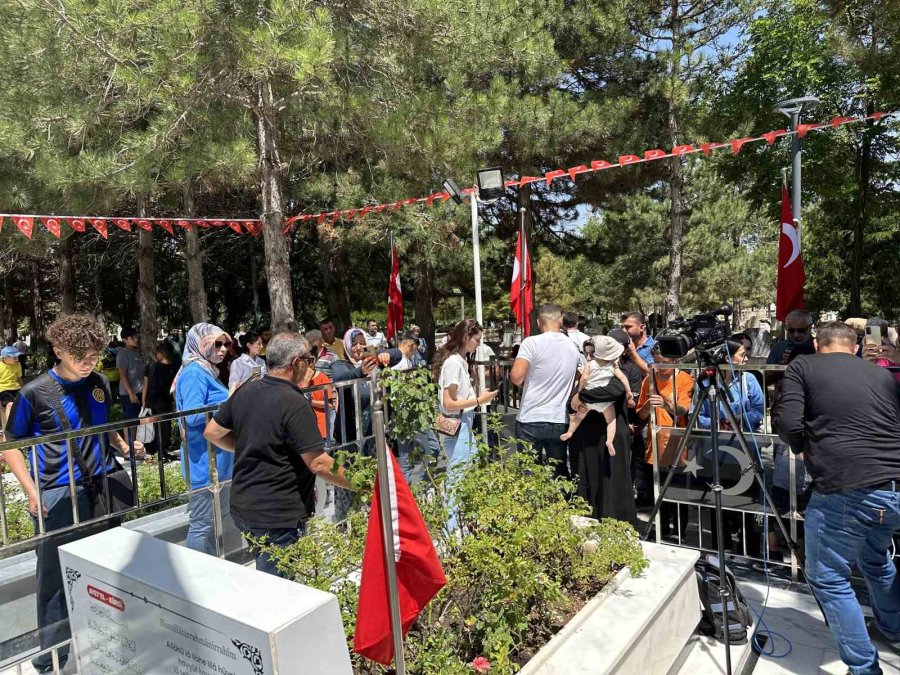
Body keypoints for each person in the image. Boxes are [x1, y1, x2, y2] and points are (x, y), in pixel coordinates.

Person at [3, 314, 143, 674]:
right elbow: (11, 444)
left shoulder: (98, 382)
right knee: (52, 581)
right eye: (79, 356)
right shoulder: (34, 392)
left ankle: (110, 643)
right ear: (58, 350)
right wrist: (31, 490)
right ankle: (52, 660)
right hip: (57, 496)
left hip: (103, 490)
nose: (88, 362)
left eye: (94, 355)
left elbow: (100, 427)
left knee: (110, 567)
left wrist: (123, 446)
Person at [776, 321, 900, 675]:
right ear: (856, 346)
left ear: (817, 343)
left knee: (829, 577)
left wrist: (804, 448)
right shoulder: (880, 374)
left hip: (846, 488)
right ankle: (894, 630)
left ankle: (863, 668)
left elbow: (787, 422)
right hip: (893, 488)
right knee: (875, 560)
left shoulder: (803, 365)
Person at [203, 333, 353, 576]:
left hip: (244, 507)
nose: (311, 366)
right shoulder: (294, 402)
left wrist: (249, 446)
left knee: (269, 582)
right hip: (276, 515)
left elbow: (212, 432)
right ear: (296, 363)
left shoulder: (247, 390)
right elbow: (319, 463)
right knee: (278, 593)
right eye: (309, 359)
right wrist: (368, 484)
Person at [173, 323, 233, 555]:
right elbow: (193, 415)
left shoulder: (207, 371)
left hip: (219, 460)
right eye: (217, 344)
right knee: (202, 525)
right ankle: (199, 574)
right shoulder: (194, 374)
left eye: (226, 344)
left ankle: (212, 566)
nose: (223, 349)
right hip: (204, 463)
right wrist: (230, 405)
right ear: (201, 344)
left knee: (216, 520)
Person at [434, 319, 498, 530]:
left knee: (463, 471)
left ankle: (458, 523)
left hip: (463, 421)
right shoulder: (453, 363)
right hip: (458, 422)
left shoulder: (459, 361)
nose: (478, 345)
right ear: (465, 338)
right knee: (458, 475)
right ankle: (452, 527)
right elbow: (448, 403)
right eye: (476, 340)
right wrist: (480, 400)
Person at [509, 304, 580, 479]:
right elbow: (581, 376)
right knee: (560, 471)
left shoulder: (531, 342)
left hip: (531, 417)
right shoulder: (572, 346)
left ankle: (532, 507)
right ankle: (565, 504)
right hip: (558, 418)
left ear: (539, 322)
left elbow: (516, 377)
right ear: (561, 320)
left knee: (528, 472)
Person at [560, 336, 634, 454]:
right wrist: (575, 401)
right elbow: (572, 402)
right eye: (586, 353)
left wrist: (581, 395)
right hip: (588, 437)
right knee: (608, 420)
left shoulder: (621, 368)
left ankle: (607, 440)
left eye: (592, 354)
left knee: (586, 418)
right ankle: (572, 433)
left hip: (609, 437)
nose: (589, 357)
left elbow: (612, 390)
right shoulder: (608, 367)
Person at [142, 341, 178, 460]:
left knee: (154, 427)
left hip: (152, 401)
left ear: (161, 353)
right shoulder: (173, 368)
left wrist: (144, 401)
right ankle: (163, 451)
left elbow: (145, 385)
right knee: (164, 427)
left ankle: (155, 450)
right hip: (165, 401)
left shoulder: (151, 366)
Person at [116, 327, 145, 421]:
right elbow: (122, 376)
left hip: (140, 391)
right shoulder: (122, 354)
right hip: (128, 394)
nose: (136, 339)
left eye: (136, 337)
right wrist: (131, 393)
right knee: (131, 422)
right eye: (132, 338)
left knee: (140, 421)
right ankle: (129, 436)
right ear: (124, 340)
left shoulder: (137, 352)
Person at [620, 311, 655, 375]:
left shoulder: (654, 347)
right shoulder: (623, 345)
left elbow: (651, 373)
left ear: (641, 328)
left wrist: (633, 352)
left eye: (628, 327)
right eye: (622, 327)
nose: (623, 330)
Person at [0, 345, 24, 430]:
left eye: (17, 357)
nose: (17, 359)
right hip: (3, 389)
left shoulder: (18, 364)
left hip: (16, 388)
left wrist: (24, 388)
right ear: (5, 358)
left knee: (26, 402)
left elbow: (19, 378)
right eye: (14, 357)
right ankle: (9, 429)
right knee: (9, 404)